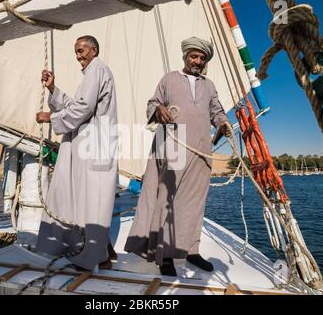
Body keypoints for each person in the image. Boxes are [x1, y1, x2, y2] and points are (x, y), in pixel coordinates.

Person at [124, 36, 231, 276]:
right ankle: (164, 254)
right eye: (194, 56)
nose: (198, 61)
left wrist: (223, 123)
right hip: (171, 144)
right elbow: (153, 103)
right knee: (166, 199)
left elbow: (217, 110)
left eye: (203, 58)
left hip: (201, 149)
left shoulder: (209, 85)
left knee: (194, 201)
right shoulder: (169, 79)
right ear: (185, 57)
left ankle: (190, 250)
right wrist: (159, 109)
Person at [35, 35, 118, 271]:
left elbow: (83, 107)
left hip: (94, 146)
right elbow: (78, 105)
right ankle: (102, 253)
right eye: (76, 52)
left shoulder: (96, 70)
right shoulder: (95, 72)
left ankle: (92, 258)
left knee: (92, 201)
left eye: (82, 50)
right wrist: (52, 89)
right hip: (91, 145)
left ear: (94, 49)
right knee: (91, 200)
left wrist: (51, 117)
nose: (78, 56)